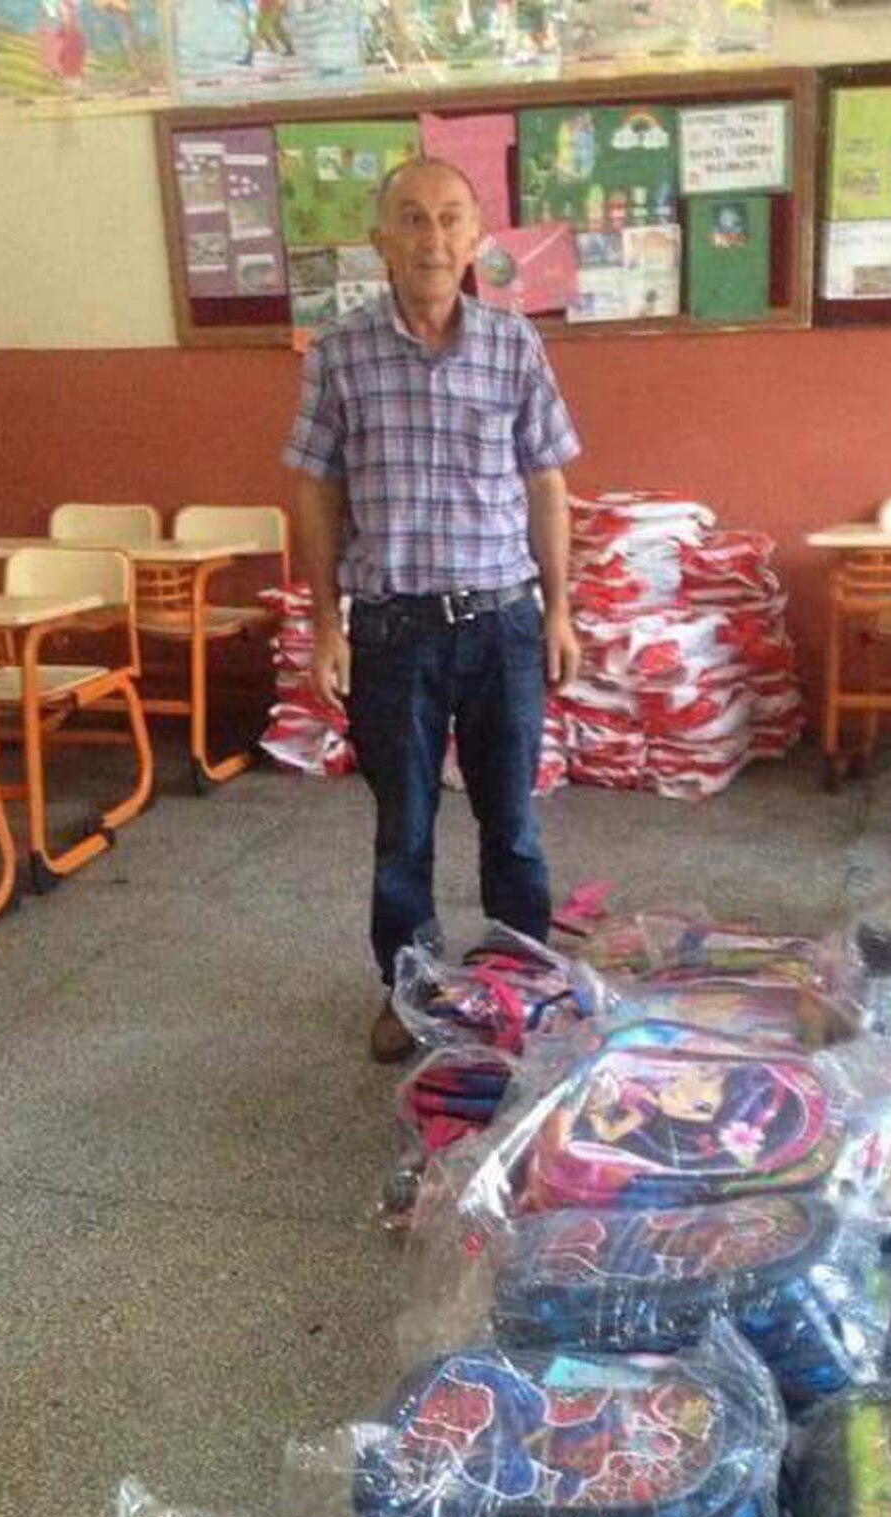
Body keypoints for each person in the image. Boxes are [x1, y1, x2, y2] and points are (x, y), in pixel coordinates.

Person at [284, 156, 582, 1063]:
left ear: (478, 237)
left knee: (513, 823)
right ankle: (408, 990)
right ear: (381, 241)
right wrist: (326, 625)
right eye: (411, 219)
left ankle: (525, 975)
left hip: (503, 623)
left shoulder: (515, 345)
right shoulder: (340, 353)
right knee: (402, 828)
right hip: (393, 628)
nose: (433, 237)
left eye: (451, 218)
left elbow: (548, 483)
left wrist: (560, 609)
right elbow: (314, 493)